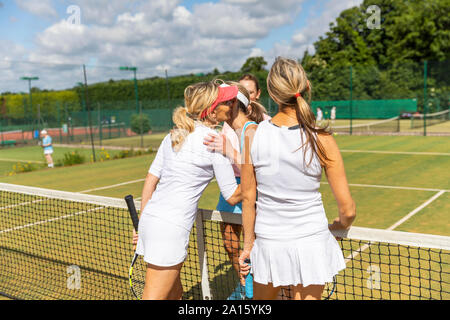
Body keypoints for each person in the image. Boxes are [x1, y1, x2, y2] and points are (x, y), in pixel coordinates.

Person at [239, 57, 356, 300]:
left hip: (268, 243)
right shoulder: (322, 138)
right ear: (307, 87)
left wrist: (248, 246)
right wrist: (340, 225)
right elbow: (348, 210)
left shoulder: (252, 135)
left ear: (271, 94)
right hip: (312, 242)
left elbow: (248, 199)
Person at [132, 81, 243, 300]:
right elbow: (232, 196)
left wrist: (141, 223)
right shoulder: (214, 142)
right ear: (211, 110)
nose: (230, 106)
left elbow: (150, 179)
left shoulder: (174, 135)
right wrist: (258, 177)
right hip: (169, 229)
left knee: (175, 293)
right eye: (225, 102)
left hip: (151, 221)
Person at [203, 80, 268, 300]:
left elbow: (254, 181)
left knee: (259, 258)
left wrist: (229, 152)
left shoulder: (250, 132)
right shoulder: (243, 130)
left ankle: (251, 293)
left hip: (263, 205)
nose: (211, 109)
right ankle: (248, 290)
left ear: (230, 105)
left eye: (216, 104)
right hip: (249, 199)